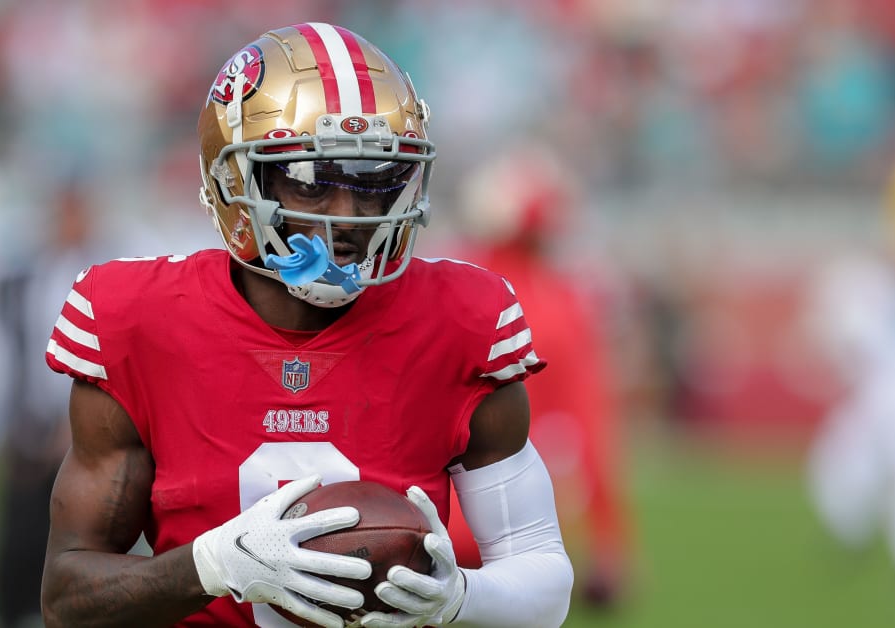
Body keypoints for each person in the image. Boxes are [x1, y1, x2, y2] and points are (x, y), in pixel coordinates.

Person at [39, 22, 574, 628]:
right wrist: (214, 566)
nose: (346, 218)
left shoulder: (461, 320)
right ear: (234, 183)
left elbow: (543, 580)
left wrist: (459, 601)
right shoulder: (136, 318)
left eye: (373, 182)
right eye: (309, 181)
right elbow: (67, 598)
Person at [445, 144, 631, 610]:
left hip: (428, 514)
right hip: (520, 519)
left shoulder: (445, 281)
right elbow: (590, 427)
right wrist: (609, 540)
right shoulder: (563, 302)